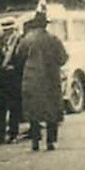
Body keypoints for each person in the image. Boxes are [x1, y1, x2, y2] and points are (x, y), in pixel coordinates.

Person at [15, 11, 68, 151]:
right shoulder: (54, 39)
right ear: (45, 25)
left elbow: (18, 58)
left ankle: (35, 140)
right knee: (52, 109)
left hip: (31, 78)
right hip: (50, 78)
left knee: (33, 110)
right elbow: (63, 59)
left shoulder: (26, 40)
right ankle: (51, 141)